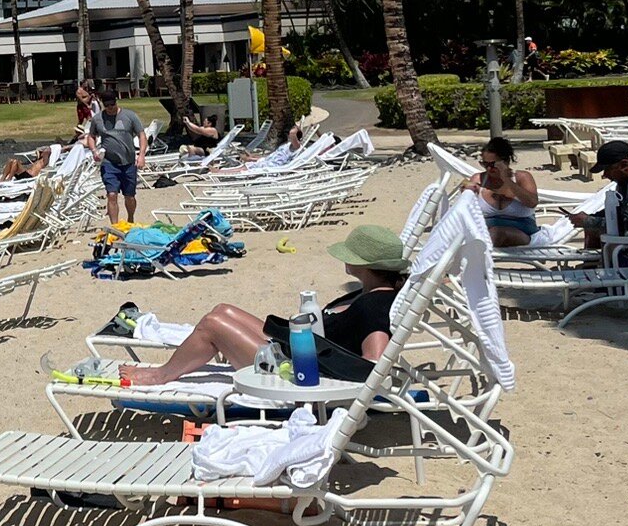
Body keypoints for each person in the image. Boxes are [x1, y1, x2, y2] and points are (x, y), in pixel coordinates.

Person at [78, 224, 411, 388]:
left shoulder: (373, 307)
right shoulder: (368, 293)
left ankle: (161, 375)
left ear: (366, 265)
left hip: (299, 375)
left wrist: (322, 377)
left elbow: (373, 365)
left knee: (212, 327)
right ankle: (176, 364)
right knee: (223, 310)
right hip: (301, 355)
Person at [461, 135, 540, 248]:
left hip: (522, 229)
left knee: (498, 233)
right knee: (490, 234)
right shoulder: (479, 179)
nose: (488, 169)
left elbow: (532, 202)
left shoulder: (522, 177)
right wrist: (466, 192)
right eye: (485, 164)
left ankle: (480, 253)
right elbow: (465, 207)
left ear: (505, 161)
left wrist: (506, 179)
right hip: (487, 229)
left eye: (493, 165)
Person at [83, 85, 146, 225]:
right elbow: (91, 136)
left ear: (116, 102)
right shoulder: (98, 119)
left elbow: (141, 135)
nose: (110, 108)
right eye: (107, 105)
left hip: (128, 162)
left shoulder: (129, 116)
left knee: (129, 196)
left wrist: (141, 155)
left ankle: (130, 219)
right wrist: (94, 151)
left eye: (112, 105)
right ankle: (115, 226)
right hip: (109, 163)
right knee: (111, 195)